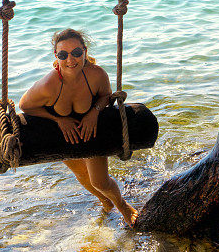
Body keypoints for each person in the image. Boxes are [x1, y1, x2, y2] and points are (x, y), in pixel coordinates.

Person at [18, 28, 138, 226]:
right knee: (82, 173)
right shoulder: (49, 84)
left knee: (99, 181)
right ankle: (104, 202)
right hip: (63, 133)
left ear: (85, 51)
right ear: (56, 56)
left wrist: (94, 112)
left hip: (90, 130)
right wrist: (58, 120)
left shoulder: (96, 75)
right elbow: (25, 106)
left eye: (76, 53)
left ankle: (122, 205)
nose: (70, 60)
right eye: (63, 55)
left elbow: (106, 96)